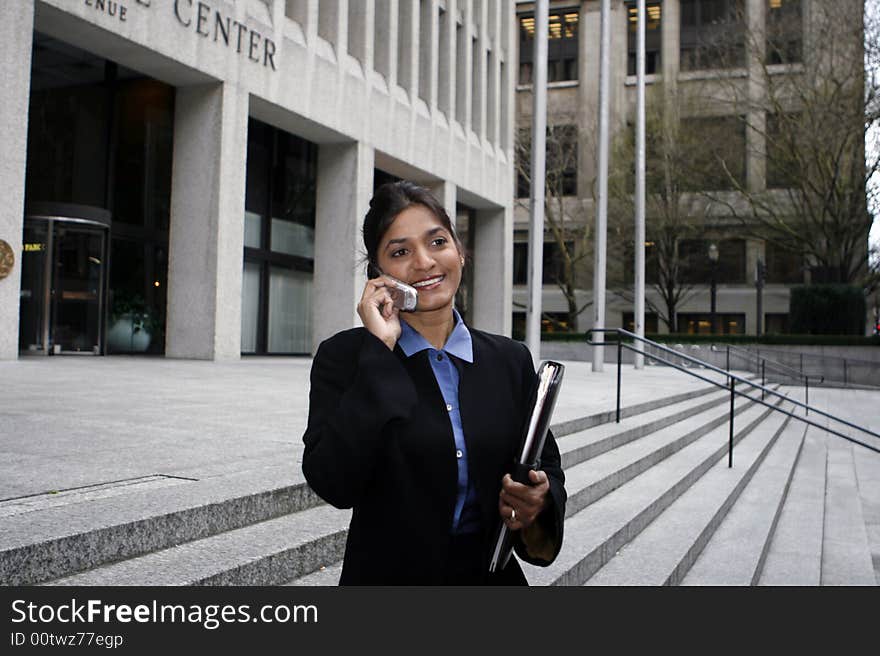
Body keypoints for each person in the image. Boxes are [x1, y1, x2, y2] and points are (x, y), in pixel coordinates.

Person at [302, 181, 566, 585]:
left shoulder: (509, 360)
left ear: (460, 251)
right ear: (379, 273)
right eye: (400, 251)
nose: (424, 262)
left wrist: (538, 500)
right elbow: (333, 482)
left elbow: (545, 465)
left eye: (437, 241)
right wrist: (381, 350)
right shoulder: (347, 357)